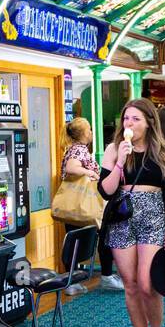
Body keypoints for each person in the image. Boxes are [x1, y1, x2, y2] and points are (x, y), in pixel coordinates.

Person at [98, 99, 165, 327]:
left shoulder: (163, 153)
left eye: (136, 119)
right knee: (131, 284)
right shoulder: (114, 149)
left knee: (148, 283)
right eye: (126, 119)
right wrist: (120, 162)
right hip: (122, 218)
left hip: (154, 218)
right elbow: (106, 190)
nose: (129, 124)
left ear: (149, 123)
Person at [59, 117, 104, 296]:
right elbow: (71, 168)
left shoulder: (76, 148)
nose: (92, 133)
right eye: (90, 130)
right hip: (78, 204)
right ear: (84, 133)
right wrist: (90, 172)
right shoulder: (78, 150)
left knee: (76, 240)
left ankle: (73, 280)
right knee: (76, 241)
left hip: (76, 204)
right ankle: (70, 282)